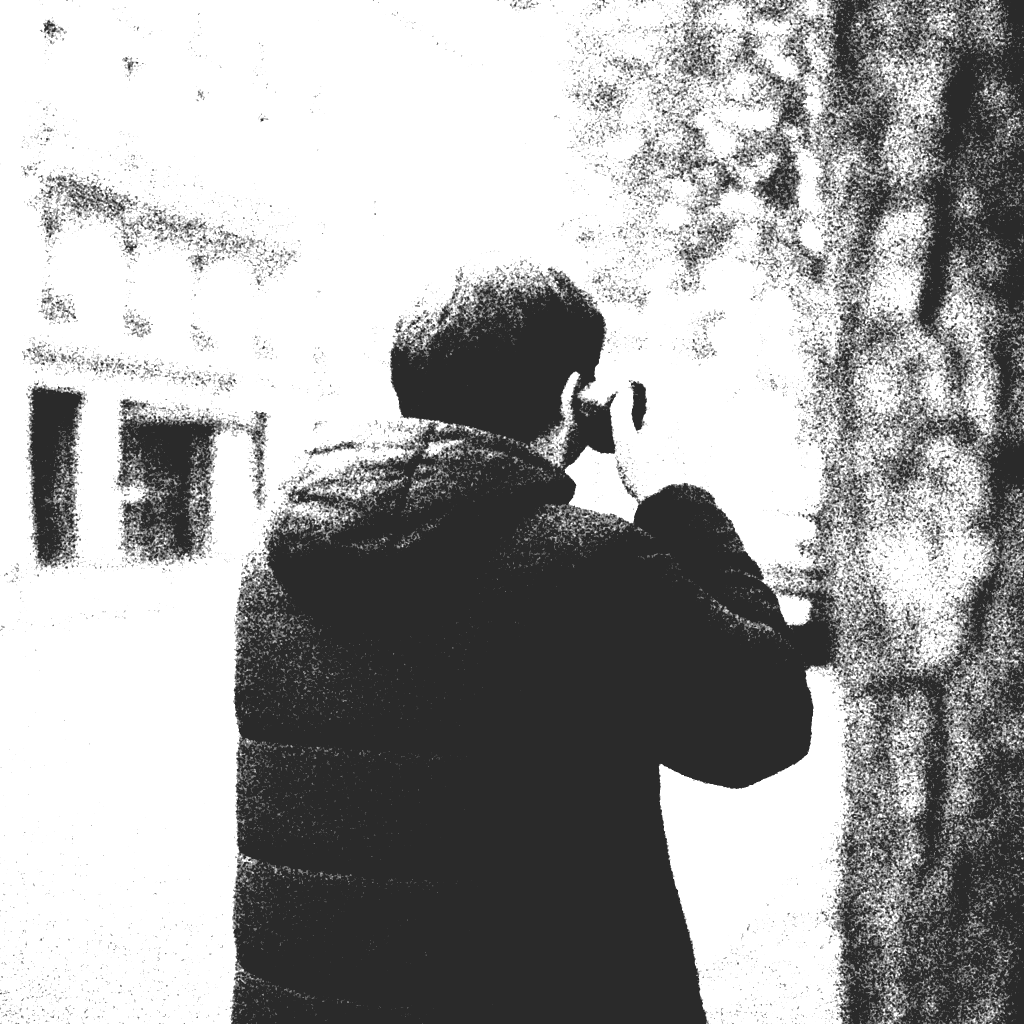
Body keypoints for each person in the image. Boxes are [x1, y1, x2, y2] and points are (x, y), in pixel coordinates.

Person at [231, 260, 812, 1023]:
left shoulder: (275, 566)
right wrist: (671, 496)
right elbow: (764, 724)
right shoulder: (589, 565)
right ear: (577, 399)